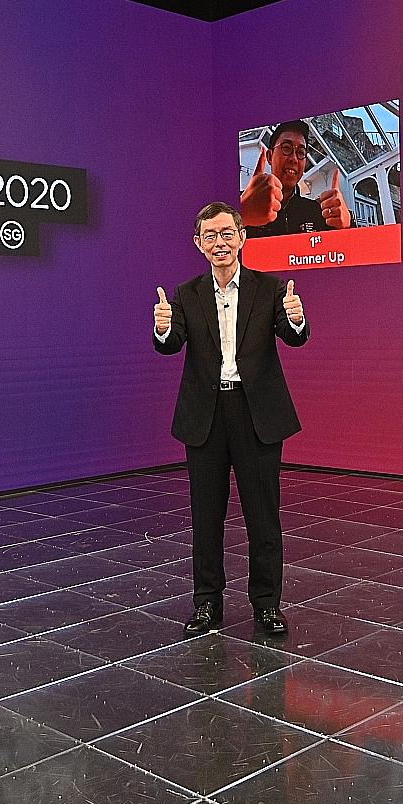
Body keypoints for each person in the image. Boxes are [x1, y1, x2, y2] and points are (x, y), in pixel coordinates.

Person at [153, 202, 309, 637]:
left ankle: (266, 606)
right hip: (206, 415)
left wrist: (296, 320)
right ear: (199, 244)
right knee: (206, 517)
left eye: (227, 234)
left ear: (242, 238)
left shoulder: (270, 289)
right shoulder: (186, 295)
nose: (220, 243)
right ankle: (207, 604)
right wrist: (163, 328)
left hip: (256, 412)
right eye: (210, 236)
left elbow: (293, 336)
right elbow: (170, 345)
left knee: (263, 517)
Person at [241, 120, 352, 236]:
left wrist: (347, 226)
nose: (294, 159)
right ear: (269, 156)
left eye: (301, 152)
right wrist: (242, 214)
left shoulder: (317, 212)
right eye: (286, 148)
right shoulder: (241, 203)